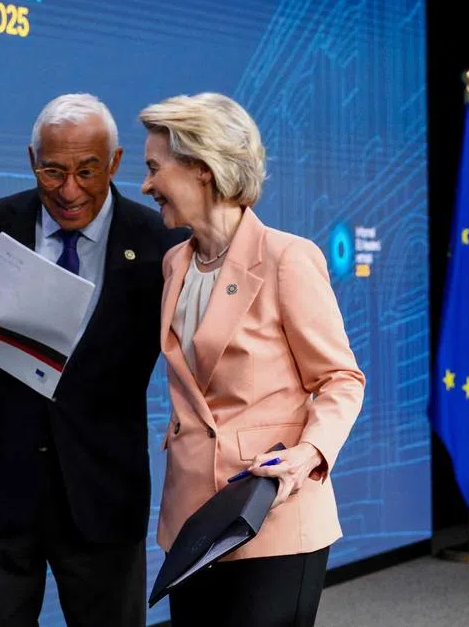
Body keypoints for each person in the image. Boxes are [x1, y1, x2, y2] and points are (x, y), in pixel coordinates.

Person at [0, 93, 188, 627]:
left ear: (116, 163)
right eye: (53, 171)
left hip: (104, 492)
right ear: (32, 159)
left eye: (87, 171)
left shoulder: (161, 243)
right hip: (0, 488)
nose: (69, 190)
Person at [137, 92, 366, 626]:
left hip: (273, 514)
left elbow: (341, 379)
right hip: (191, 521)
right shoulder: (175, 263)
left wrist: (309, 452)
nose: (146, 186)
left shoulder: (289, 258)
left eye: (154, 169)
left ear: (202, 169)